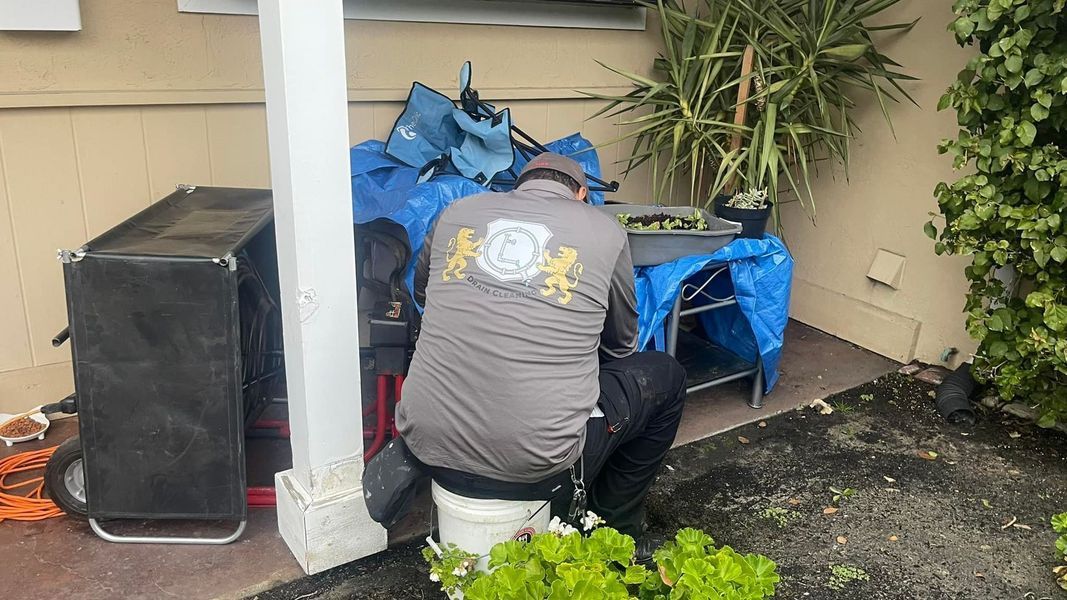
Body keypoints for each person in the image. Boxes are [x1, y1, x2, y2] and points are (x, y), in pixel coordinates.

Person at [395, 153, 686, 548]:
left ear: (519, 185)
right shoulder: (604, 230)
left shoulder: (458, 211)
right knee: (666, 377)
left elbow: (423, 294)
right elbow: (620, 348)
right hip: (534, 461)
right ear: (581, 194)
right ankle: (614, 531)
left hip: (424, 437)